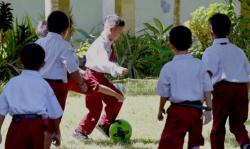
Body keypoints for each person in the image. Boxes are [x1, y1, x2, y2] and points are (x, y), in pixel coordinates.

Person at [35, 10, 88, 148]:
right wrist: (82, 84)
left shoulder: (39, 42)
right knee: (51, 123)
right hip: (55, 88)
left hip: (36, 84)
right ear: (66, 30)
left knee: (37, 121)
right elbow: (72, 69)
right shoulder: (64, 46)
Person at [71, 14, 128, 140]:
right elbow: (103, 62)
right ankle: (83, 131)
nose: (120, 35)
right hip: (92, 76)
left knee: (111, 101)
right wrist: (116, 68)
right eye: (119, 32)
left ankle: (101, 126)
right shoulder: (100, 44)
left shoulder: (109, 42)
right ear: (111, 29)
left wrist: (115, 67)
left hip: (99, 76)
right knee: (103, 104)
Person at [156, 25, 213, 149]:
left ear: (170, 45)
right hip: (196, 110)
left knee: (170, 143)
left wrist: (160, 109)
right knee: (195, 142)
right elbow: (207, 88)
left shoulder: (168, 67)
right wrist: (209, 109)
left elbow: (164, 94)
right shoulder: (200, 65)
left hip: (177, 111)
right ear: (191, 44)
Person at [0, 43, 63, 149]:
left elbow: (1, 111)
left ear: (20, 61)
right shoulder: (44, 84)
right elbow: (54, 112)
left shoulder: (13, 83)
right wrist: (57, 132)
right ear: (43, 63)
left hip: (17, 126)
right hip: (37, 128)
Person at [202, 13, 250, 149]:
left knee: (218, 127)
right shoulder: (239, 51)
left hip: (222, 90)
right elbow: (247, 74)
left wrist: (204, 98)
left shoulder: (210, 51)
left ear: (211, 31)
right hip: (241, 89)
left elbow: (208, 75)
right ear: (230, 31)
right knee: (238, 124)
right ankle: (246, 144)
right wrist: (245, 93)